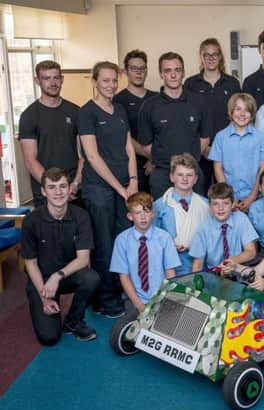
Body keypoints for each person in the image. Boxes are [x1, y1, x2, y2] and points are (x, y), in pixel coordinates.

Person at [79, 61, 138, 318]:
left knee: (123, 243)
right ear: (94, 82)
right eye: (105, 80)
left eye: (114, 80)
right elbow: (92, 157)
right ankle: (105, 300)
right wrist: (119, 188)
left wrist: (133, 180)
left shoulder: (121, 110)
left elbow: (128, 148)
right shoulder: (86, 113)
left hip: (125, 187)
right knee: (104, 245)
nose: (111, 85)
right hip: (100, 189)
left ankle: (121, 291)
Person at [21, 168, 100, 344]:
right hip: (41, 280)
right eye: (52, 187)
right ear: (43, 191)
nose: (58, 192)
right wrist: (44, 297)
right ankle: (46, 306)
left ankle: (73, 322)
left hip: (65, 275)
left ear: (69, 188)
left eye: (62, 186)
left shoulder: (81, 216)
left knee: (91, 278)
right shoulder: (30, 222)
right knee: (49, 338)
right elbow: (30, 264)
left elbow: (83, 259)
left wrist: (58, 276)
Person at [138, 51, 212, 199]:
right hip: (162, 175)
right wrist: (165, 160)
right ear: (161, 74)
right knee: (164, 220)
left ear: (183, 72)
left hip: (193, 174)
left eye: (177, 70)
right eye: (168, 71)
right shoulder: (149, 106)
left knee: (196, 220)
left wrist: (186, 166)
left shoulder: (198, 102)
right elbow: (146, 145)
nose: (173, 75)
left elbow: (205, 138)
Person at [19, 60, 83, 207]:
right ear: (37, 81)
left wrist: (75, 183)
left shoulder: (76, 111)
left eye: (56, 78)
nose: (52, 83)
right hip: (45, 193)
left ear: (62, 79)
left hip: (74, 189)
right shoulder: (29, 116)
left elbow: (83, 156)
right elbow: (30, 160)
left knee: (78, 229)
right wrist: (55, 189)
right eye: (46, 78)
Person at [184, 38, 242, 193]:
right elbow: (186, 118)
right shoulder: (190, 84)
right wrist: (203, 147)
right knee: (199, 192)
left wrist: (220, 148)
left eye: (214, 54)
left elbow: (239, 116)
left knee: (225, 192)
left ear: (220, 57)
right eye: (207, 55)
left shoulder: (232, 83)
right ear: (201, 57)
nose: (211, 58)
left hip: (228, 148)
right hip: (199, 149)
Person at [110, 192, 181, 313]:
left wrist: (169, 298)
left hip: (162, 296)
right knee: (134, 326)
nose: (143, 217)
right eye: (138, 213)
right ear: (130, 216)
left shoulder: (164, 238)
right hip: (134, 298)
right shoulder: (122, 240)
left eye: (146, 212)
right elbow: (124, 276)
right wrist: (140, 306)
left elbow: (170, 272)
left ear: (152, 214)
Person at [153, 153, 211, 275]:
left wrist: (194, 245)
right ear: (172, 177)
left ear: (195, 179)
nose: (185, 179)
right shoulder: (159, 206)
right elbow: (153, 238)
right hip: (170, 268)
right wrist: (169, 246)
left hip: (201, 266)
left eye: (189, 175)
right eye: (180, 175)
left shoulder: (206, 205)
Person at [209, 93, 264, 211]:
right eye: (238, 109)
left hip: (256, 198)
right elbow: (218, 169)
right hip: (228, 199)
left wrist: (252, 196)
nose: (242, 114)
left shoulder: (261, 138)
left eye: (247, 110)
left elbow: (263, 169)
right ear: (231, 112)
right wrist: (230, 196)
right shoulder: (221, 137)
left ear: (252, 114)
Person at [113, 49, 157, 194]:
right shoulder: (118, 101)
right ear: (126, 71)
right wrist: (150, 156)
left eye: (142, 68)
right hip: (132, 167)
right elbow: (124, 135)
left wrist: (156, 158)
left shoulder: (157, 98)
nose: (138, 72)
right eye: (133, 69)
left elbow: (164, 132)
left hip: (159, 166)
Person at [189, 182, 258, 272]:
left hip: (237, 270)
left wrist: (230, 262)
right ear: (209, 205)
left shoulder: (241, 218)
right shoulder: (203, 228)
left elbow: (251, 252)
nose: (220, 208)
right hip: (214, 274)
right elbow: (198, 264)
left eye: (225, 203)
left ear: (233, 204)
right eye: (215, 204)